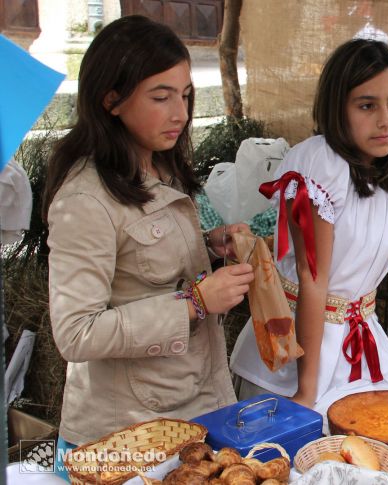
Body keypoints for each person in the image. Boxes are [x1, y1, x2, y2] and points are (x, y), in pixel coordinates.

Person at [43, 15, 254, 458]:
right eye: (161, 97)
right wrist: (195, 303)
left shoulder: (159, 164)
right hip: (128, 432)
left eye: (185, 95)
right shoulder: (84, 199)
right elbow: (76, 333)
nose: (180, 112)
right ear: (111, 100)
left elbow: (146, 268)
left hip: (194, 403)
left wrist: (209, 249)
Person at [230, 39, 388, 410]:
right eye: (367, 105)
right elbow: (313, 276)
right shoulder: (319, 167)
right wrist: (306, 390)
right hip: (298, 351)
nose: (385, 119)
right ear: (337, 109)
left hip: (363, 341)